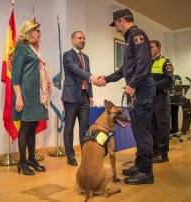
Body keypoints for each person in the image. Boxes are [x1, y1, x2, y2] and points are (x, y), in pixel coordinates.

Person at [96, 8, 156, 184]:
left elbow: (144, 63)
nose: (116, 27)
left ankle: (146, 173)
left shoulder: (137, 35)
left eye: (116, 24)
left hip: (142, 90)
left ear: (122, 20)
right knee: (138, 129)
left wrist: (132, 84)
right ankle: (139, 166)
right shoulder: (130, 39)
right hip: (137, 91)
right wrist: (106, 79)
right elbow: (125, 70)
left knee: (142, 131)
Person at [12, 20, 51, 175]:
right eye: (37, 30)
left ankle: (31, 159)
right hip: (27, 95)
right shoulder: (21, 48)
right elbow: (15, 76)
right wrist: (19, 98)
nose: (40, 33)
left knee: (33, 127)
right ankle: (21, 161)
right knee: (25, 128)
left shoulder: (34, 49)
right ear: (28, 32)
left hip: (38, 95)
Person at [62, 31, 99, 166]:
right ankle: (70, 156)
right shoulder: (67, 55)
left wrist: (90, 95)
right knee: (69, 128)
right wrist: (92, 76)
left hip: (84, 96)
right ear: (72, 40)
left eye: (84, 38)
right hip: (71, 97)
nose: (82, 40)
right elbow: (76, 69)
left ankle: (85, 155)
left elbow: (87, 78)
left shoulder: (86, 57)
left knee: (84, 128)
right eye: (79, 38)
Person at [150, 40, 174, 163]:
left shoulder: (166, 62)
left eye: (152, 47)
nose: (150, 49)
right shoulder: (147, 63)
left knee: (162, 126)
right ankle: (155, 152)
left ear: (158, 48)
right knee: (152, 126)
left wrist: (153, 86)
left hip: (161, 98)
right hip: (150, 99)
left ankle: (164, 154)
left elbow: (169, 81)